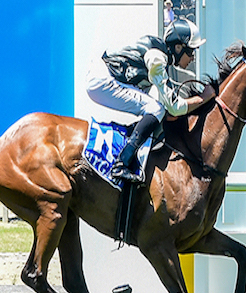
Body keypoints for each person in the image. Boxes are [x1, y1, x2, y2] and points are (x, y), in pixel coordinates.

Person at [86, 18, 216, 183]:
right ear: (178, 47)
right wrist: (203, 97)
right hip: (102, 79)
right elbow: (175, 107)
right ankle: (121, 164)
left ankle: (128, 150)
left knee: (155, 110)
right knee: (156, 109)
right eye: (190, 52)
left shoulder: (160, 56)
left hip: (103, 77)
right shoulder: (157, 58)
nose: (192, 58)